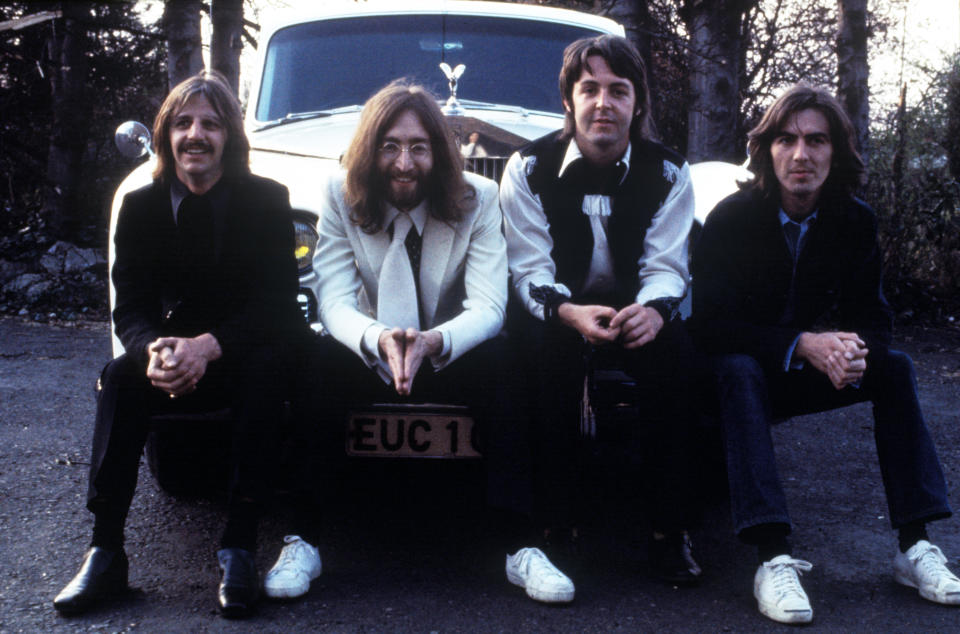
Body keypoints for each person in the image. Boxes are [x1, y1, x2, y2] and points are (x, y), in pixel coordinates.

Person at [691, 83, 959, 624]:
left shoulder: (853, 221)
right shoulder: (732, 218)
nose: (801, 155)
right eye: (787, 140)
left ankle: (915, 545)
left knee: (896, 368)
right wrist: (804, 344)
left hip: (791, 370)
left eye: (816, 141)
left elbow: (875, 317)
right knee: (741, 369)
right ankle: (772, 557)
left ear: (835, 152)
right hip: (724, 374)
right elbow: (708, 327)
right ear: (767, 149)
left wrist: (853, 350)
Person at [262, 79, 529, 600]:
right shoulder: (338, 196)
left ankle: (521, 544)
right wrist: (378, 339)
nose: (404, 163)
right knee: (315, 361)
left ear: (439, 152)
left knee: (507, 360)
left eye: (418, 147)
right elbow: (334, 301)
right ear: (369, 150)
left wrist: (433, 342)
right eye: (390, 146)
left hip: (448, 345)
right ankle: (302, 540)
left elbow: (490, 307)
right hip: (371, 345)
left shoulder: (481, 198)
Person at [53, 70, 304, 619]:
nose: (197, 135)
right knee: (119, 377)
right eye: (184, 122)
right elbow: (130, 305)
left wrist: (208, 346)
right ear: (166, 133)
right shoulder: (140, 205)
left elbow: (277, 304)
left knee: (269, 373)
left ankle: (238, 546)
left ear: (230, 138)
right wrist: (154, 352)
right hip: (168, 357)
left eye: (211, 124)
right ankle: (106, 550)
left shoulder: (267, 201)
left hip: (238, 353)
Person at [499, 34, 703, 601]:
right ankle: (555, 522)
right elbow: (527, 267)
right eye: (589, 89)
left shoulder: (669, 172)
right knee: (539, 362)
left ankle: (669, 528)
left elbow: (667, 264)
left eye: (619, 90)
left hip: (639, 310)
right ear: (568, 100)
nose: (603, 103)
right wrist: (566, 311)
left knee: (681, 365)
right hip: (560, 308)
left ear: (638, 104)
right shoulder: (529, 168)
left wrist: (656, 310)